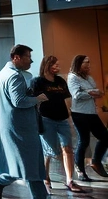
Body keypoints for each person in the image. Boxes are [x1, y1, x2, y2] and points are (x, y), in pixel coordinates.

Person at [0, 45, 49, 199]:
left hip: (10, 127)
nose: (31, 60)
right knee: (31, 168)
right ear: (16, 57)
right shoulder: (15, 76)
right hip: (20, 129)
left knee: (21, 166)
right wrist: (37, 99)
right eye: (28, 57)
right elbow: (19, 101)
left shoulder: (2, 74)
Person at [33, 55, 84, 193]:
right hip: (46, 120)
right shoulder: (38, 82)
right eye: (54, 65)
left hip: (62, 120)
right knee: (49, 152)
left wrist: (70, 116)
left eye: (58, 65)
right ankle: (46, 178)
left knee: (68, 148)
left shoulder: (60, 81)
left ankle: (70, 180)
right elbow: (34, 101)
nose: (57, 67)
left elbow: (67, 99)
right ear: (47, 65)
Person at [67, 54, 108, 181]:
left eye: (89, 62)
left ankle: (96, 161)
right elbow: (76, 95)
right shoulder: (72, 77)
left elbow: (97, 93)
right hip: (79, 113)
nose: (89, 65)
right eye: (86, 62)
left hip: (91, 112)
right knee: (84, 141)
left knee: (105, 137)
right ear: (79, 63)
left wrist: (92, 92)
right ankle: (80, 171)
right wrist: (92, 92)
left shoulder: (89, 78)